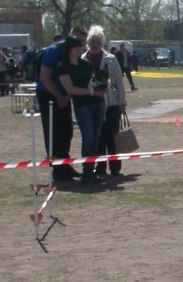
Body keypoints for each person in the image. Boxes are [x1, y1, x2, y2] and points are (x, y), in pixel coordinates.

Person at [56, 35, 107, 185]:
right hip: (82, 105)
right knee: (88, 137)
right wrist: (91, 92)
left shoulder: (86, 64)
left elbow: (96, 79)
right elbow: (70, 89)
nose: (81, 49)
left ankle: (91, 172)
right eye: (77, 47)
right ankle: (87, 173)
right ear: (70, 49)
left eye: (81, 46)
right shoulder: (63, 67)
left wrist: (103, 83)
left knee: (96, 138)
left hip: (98, 103)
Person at [84, 26, 128, 178]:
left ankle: (115, 167)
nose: (95, 44)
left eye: (98, 42)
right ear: (88, 42)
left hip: (111, 103)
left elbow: (119, 82)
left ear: (102, 43)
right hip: (92, 102)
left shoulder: (111, 59)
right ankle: (100, 167)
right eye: (93, 41)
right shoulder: (83, 59)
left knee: (112, 136)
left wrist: (122, 102)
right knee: (98, 138)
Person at [37, 32, 77, 181]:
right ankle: (56, 169)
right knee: (52, 132)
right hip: (47, 93)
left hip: (64, 94)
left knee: (66, 130)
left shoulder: (74, 52)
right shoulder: (53, 50)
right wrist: (59, 96)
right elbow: (45, 77)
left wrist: (67, 96)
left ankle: (65, 164)